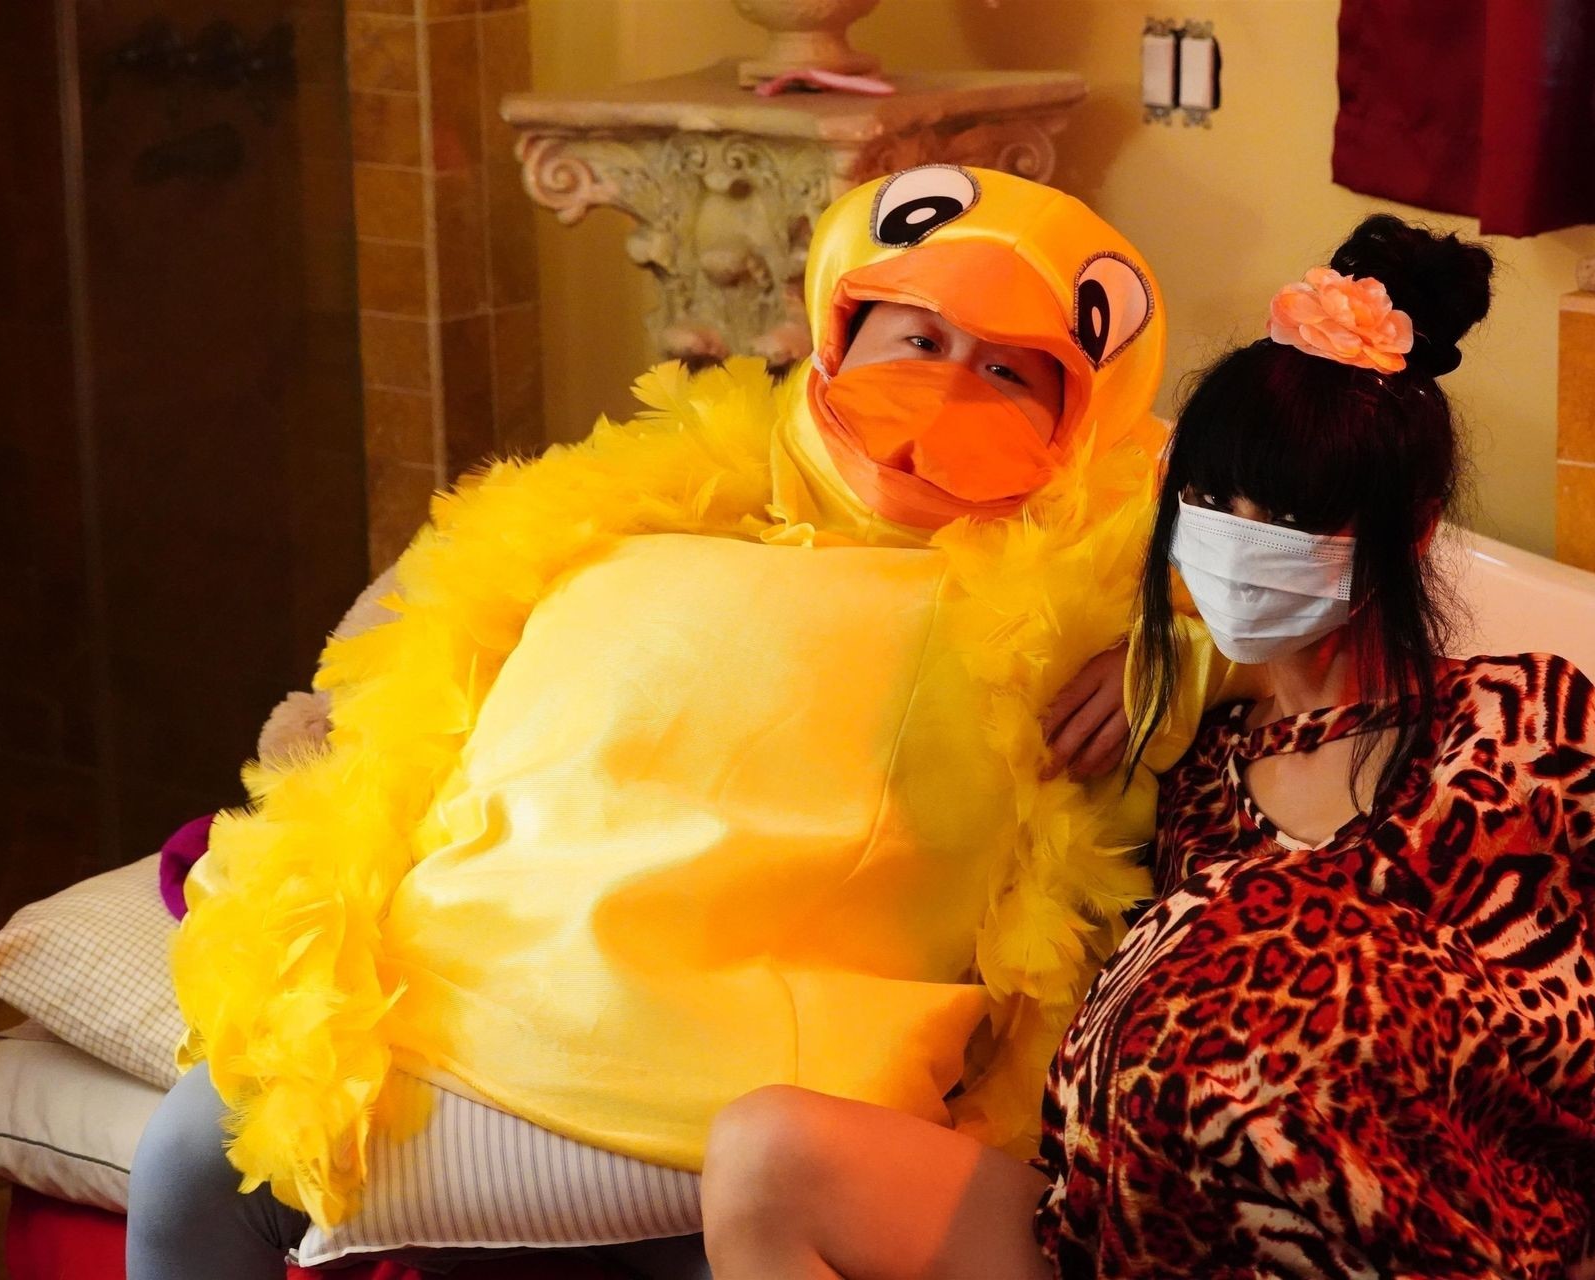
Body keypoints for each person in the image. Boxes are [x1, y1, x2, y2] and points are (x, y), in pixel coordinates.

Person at [129, 166, 1196, 1277]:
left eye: (1008, 371)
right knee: (202, 1139)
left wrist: (1172, 656)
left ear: (1080, 424)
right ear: (838, 342)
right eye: (920, 341)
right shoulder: (624, 512)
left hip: (747, 1088)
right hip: (442, 1008)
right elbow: (408, 697)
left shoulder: (1088, 600)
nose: (949, 384)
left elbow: (1291, 617)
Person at [698, 215, 1595, 1280]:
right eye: (1207, 500)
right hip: (1138, 1231)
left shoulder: (1524, 715)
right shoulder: (1194, 766)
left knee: (1295, 947)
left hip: (1444, 1235)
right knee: (766, 1151)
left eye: (1283, 515)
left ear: (1412, 529)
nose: (1237, 539)